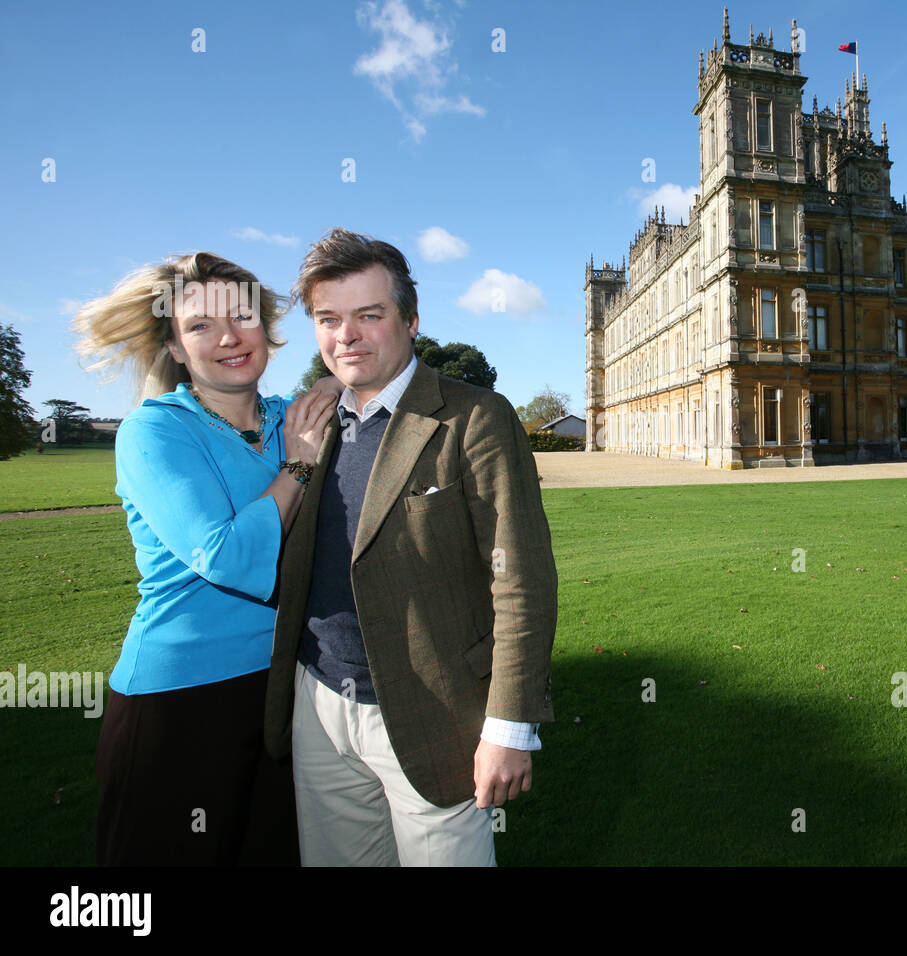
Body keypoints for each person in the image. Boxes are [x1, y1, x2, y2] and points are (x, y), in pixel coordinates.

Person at [264, 229, 557, 866]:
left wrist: (508, 726)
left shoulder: (474, 416)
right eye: (329, 319)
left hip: (433, 710)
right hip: (318, 702)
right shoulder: (309, 422)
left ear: (411, 319)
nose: (347, 336)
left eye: (370, 315)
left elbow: (522, 578)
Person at [75, 252, 340, 865]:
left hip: (283, 690)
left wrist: (331, 383)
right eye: (199, 326)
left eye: (242, 316)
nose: (228, 337)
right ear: (172, 345)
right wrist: (297, 465)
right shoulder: (154, 430)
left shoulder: (290, 418)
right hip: (178, 703)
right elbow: (225, 556)